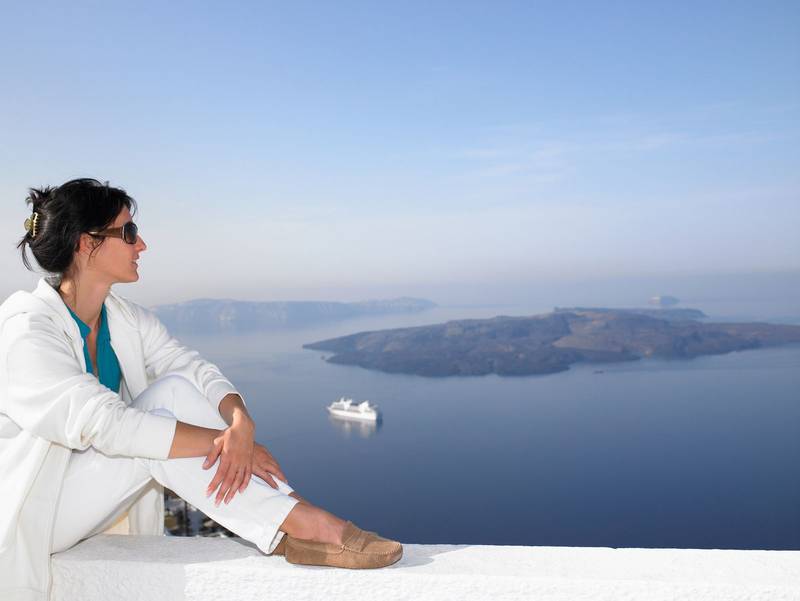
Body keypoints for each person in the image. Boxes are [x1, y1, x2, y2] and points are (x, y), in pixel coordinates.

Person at [0, 178, 402, 601]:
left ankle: (295, 515)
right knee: (149, 428)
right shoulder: (26, 331)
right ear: (87, 244)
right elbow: (105, 424)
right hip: (34, 514)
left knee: (172, 392)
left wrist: (239, 422)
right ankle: (304, 524)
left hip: (89, 498)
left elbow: (190, 369)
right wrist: (226, 444)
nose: (142, 245)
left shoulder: (122, 318)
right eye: (129, 232)